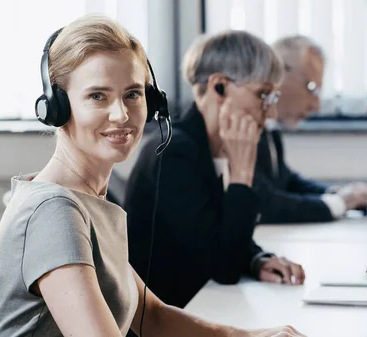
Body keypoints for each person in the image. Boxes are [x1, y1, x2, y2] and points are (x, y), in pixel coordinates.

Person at [0, 15, 304, 337]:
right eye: (97, 96)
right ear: (57, 108)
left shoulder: (88, 201)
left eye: (132, 94)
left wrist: (251, 336)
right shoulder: (53, 211)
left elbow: (153, 315)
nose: (121, 114)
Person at [124, 31, 305, 309]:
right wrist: (242, 176)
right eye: (263, 95)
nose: (271, 114)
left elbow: (214, 232)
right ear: (219, 87)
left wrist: (257, 259)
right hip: (168, 318)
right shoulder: (173, 153)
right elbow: (224, 267)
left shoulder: (206, 147)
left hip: (203, 306)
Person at [253, 35, 367, 224]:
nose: (317, 106)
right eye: (312, 88)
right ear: (279, 73)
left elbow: (287, 181)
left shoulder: (269, 129)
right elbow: (265, 204)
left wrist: (338, 194)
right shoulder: (241, 128)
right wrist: (340, 203)